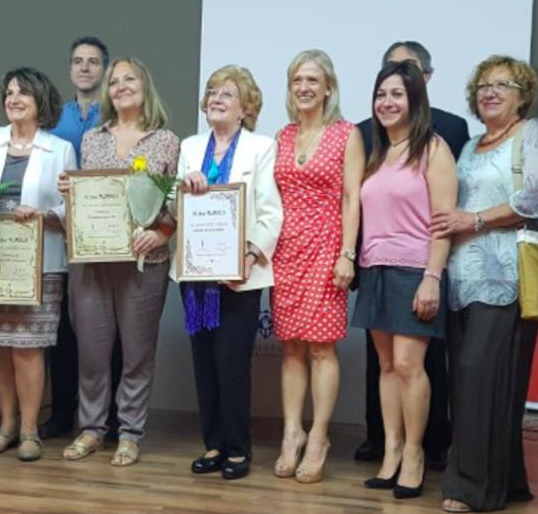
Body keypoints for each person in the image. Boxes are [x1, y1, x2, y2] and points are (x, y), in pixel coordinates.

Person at [430, 55, 538, 513]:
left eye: (502, 84)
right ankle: (506, 480)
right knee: (478, 383)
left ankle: (470, 485)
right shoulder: (470, 147)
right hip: (461, 279)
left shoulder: (535, 133)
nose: (490, 92)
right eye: (483, 85)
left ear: (522, 94)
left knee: (480, 377)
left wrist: (474, 219)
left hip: (506, 276)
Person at [57, 57, 179, 467]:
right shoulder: (92, 139)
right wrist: (69, 191)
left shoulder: (166, 141)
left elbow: (176, 203)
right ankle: (92, 429)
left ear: (145, 87)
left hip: (146, 261)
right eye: (115, 81)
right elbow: (88, 198)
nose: (121, 86)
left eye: (130, 79)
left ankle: (129, 432)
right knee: (92, 350)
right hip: (93, 261)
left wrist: (160, 231)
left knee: (137, 353)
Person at [355, 40, 468, 468]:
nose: (387, 102)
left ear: (415, 97)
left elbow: (444, 221)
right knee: (385, 364)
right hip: (374, 268)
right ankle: (392, 451)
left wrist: (431, 278)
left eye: (397, 94)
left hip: (414, 270)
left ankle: (416, 453)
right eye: (381, 94)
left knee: (408, 364)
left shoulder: (433, 147)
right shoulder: (377, 150)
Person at [175, 65, 283, 481]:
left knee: (231, 362)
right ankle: (214, 443)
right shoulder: (190, 146)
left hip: (240, 275)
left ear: (246, 107)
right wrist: (181, 189)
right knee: (203, 361)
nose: (217, 98)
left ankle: (239, 447)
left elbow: (270, 210)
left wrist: (251, 257)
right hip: (195, 273)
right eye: (212, 92)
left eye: (228, 93)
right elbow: (172, 208)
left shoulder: (260, 147)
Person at [0, 67, 75, 462]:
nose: (13, 99)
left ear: (40, 100)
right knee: (1, 348)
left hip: (40, 262)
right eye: (9, 92)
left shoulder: (59, 148)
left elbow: (70, 208)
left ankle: (30, 432)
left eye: (22, 92)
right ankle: (6, 426)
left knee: (29, 348)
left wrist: (42, 212)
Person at [271, 49, 364, 484]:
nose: (304, 88)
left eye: (312, 80)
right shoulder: (282, 136)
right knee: (290, 346)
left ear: (329, 86)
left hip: (327, 248)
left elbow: (352, 198)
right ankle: (292, 433)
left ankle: (320, 436)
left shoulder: (347, 135)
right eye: (297, 81)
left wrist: (347, 253)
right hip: (285, 251)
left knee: (322, 347)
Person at [41, 36, 117, 441]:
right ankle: (61, 412)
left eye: (93, 62)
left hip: (106, 238)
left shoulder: (118, 111)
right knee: (64, 332)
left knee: (109, 331)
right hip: (61, 234)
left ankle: (113, 415)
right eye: (78, 61)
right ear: (70, 69)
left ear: (104, 69)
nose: (85, 68)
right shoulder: (54, 116)